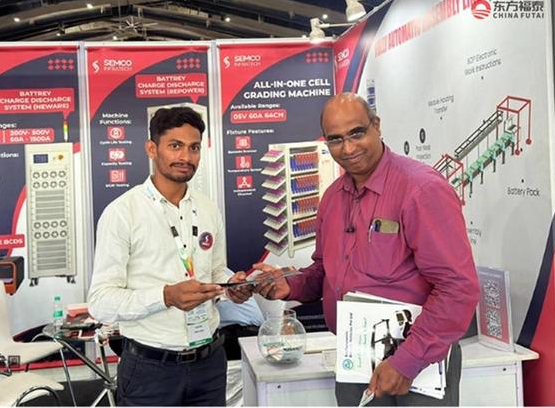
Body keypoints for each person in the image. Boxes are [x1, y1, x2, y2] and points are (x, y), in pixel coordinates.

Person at [254, 94, 479, 406]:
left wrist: (408, 361)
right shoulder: (333, 198)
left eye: (356, 133)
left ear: (377, 126)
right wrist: (289, 284)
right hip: (356, 360)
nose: (347, 149)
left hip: (418, 366)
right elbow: (325, 270)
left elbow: (458, 287)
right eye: (335, 139)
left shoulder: (421, 189)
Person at [88, 107, 252, 406]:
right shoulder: (122, 213)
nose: (186, 157)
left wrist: (232, 287)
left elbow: (215, 272)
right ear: (152, 149)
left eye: (194, 147)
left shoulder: (207, 208)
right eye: (175, 146)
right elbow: (100, 301)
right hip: (150, 369)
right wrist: (165, 297)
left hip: (209, 364)